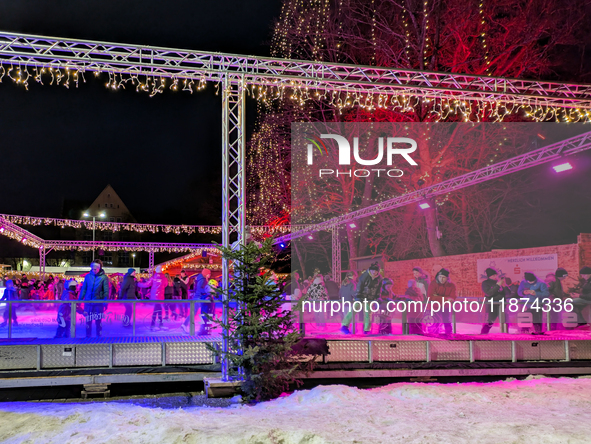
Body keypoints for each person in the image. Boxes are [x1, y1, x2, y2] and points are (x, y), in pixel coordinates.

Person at [341, 262, 382, 335]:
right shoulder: (365, 276)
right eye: (372, 270)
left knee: (368, 314)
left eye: (375, 271)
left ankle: (367, 330)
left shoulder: (379, 278)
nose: (373, 272)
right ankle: (344, 325)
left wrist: (378, 297)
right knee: (353, 310)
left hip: (370, 298)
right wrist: (358, 296)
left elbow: (379, 288)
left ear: (377, 271)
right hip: (361, 296)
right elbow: (359, 286)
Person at [79, 260, 109, 337]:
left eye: (95, 269)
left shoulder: (104, 277)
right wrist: (79, 300)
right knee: (88, 322)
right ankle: (88, 337)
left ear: (99, 268)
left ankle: (99, 337)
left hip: (98, 304)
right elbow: (84, 289)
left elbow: (106, 291)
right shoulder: (88, 276)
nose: (93, 270)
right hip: (88, 304)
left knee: (98, 322)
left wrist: (105, 302)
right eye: (92, 269)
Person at [182, 268, 213, 335]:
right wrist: (207, 291)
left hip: (198, 298)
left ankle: (185, 325)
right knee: (198, 313)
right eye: (209, 273)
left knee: (194, 313)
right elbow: (200, 288)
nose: (210, 275)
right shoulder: (203, 280)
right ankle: (186, 325)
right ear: (206, 274)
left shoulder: (201, 279)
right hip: (199, 298)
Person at [137, 265, 168, 331]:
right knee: (158, 310)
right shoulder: (164, 278)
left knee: (156, 310)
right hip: (161, 296)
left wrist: (138, 284)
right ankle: (159, 324)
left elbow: (146, 284)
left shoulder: (153, 278)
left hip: (154, 297)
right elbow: (166, 285)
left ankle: (153, 324)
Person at [427, 268, 456, 335]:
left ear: (447, 278)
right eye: (440, 277)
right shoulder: (433, 284)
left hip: (446, 307)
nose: (441, 279)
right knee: (435, 322)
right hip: (435, 306)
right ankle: (435, 336)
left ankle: (449, 336)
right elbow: (431, 296)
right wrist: (446, 299)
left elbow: (452, 297)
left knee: (447, 321)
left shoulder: (451, 285)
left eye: (443, 277)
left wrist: (437, 297)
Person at [480, 267, 506, 334]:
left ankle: (506, 336)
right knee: (489, 321)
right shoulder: (485, 283)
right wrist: (497, 285)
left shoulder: (499, 282)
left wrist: (505, 286)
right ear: (490, 276)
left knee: (505, 321)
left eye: (496, 275)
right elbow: (488, 293)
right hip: (492, 305)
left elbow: (508, 293)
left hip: (502, 305)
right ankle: (483, 335)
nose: (496, 276)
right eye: (494, 275)